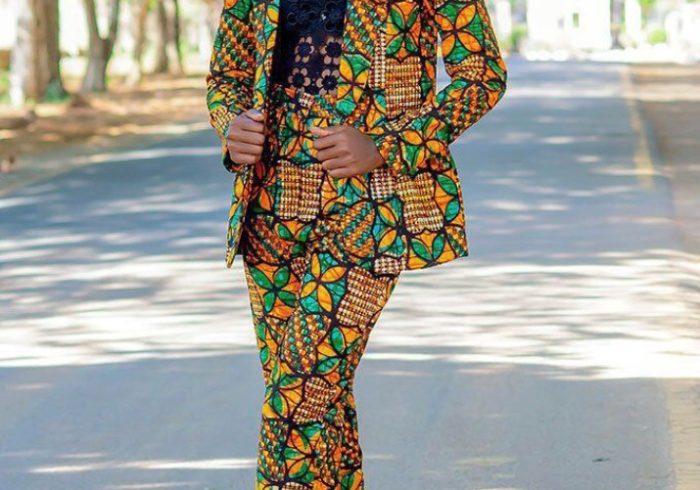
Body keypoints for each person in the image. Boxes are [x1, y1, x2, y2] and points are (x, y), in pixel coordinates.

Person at [205, 0, 507, 487]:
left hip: (370, 207)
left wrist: (389, 144)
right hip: (270, 206)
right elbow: (227, 76)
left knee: (297, 399)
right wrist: (230, 124)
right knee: (323, 401)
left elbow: (482, 75)